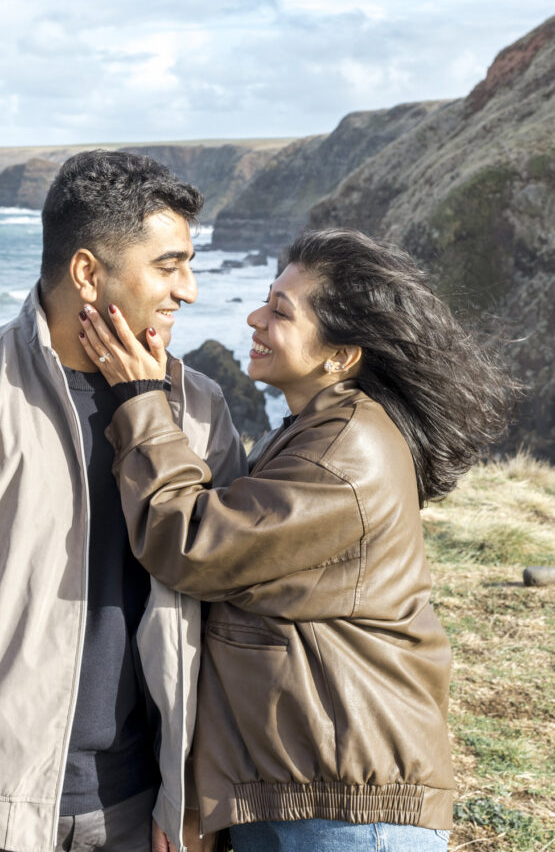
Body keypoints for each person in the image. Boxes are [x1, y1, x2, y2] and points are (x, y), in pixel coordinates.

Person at [78, 227, 513, 852]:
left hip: (346, 809)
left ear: (341, 355)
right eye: (264, 300)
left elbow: (191, 545)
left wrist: (142, 401)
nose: (254, 318)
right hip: (301, 787)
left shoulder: (346, 453)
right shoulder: (314, 429)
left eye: (280, 312)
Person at [0, 150, 246, 852]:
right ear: (86, 273)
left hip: (140, 807)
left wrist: (193, 795)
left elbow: (224, 620)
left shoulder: (198, 409)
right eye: (168, 267)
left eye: (188, 266)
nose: (189, 290)